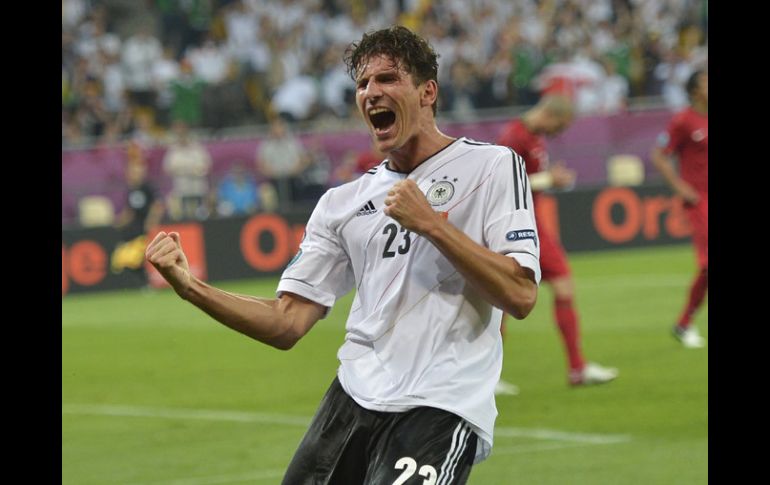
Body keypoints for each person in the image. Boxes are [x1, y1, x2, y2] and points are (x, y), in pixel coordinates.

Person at [146, 26, 540, 484]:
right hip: (350, 401)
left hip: (439, 407)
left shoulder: (492, 166)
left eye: (387, 79)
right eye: (362, 84)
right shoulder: (341, 203)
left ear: (428, 91)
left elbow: (520, 294)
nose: (371, 92)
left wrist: (432, 224)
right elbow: (286, 323)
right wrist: (190, 287)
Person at [497, 94, 618, 389]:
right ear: (550, 114)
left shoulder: (532, 137)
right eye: (560, 125)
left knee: (549, 288)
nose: (560, 132)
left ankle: (577, 368)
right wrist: (550, 180)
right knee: (501, 301)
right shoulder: (514, 136)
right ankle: (574, 369)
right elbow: (503, 181)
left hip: (533, 226)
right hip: (518, 227)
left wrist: (548, 179)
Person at [650, 70, 708, 349]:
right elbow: (659, 155)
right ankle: (684, 323)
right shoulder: (684, 120)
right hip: (701, 201)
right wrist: (679, 186)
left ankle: (683, 323)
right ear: (695, 90)